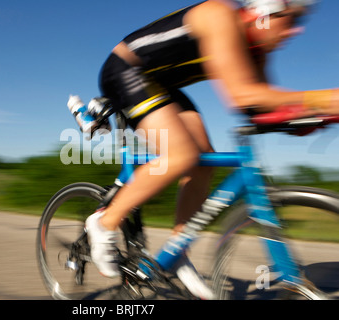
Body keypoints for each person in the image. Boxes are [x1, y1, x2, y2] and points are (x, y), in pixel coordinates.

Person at [85, 0, 339, 299]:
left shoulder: (257, 50)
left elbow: (258, 110)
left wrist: (304, 118)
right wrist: (324, 98)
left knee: (203, 163)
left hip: (162, 85)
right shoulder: (220, 15)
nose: (295, 30)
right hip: (126, 70)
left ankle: (177, 250)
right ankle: (104, 223)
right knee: (182, 154)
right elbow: (243, 96)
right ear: (264, 13)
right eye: (290, 19)